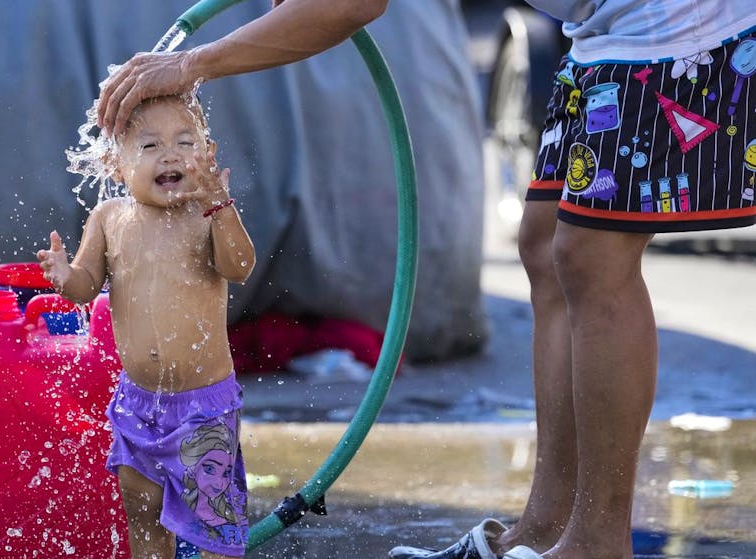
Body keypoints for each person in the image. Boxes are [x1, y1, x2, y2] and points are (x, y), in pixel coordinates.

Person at [95, 1, 756, 559]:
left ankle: (596, 540)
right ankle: (546, 524)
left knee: (589, 259)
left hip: (672, 21)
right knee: (546, 247)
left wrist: (193, 62)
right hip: (603, 27)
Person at [38, 93, 256, 559]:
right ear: (116, 166)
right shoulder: (109, 218)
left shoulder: (205, 215)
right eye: (151, 146)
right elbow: (85, 284)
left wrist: (222, 206)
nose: (171, 154)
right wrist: (63, 275)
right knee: (143, 513)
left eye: (184, 141)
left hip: (203, 409)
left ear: (206, 155)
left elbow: (240, 267)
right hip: (138, 403)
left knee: (212, 524)